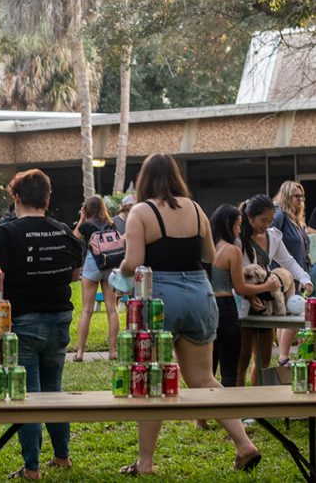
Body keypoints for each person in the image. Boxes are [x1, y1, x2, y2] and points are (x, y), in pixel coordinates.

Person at [119, 153, 261, 475]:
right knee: (203, 378)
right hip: (199, 291)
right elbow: (208, 256)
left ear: (144, 180)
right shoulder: (196, 210)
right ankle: (244, 444)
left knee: (152, 381)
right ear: (176, 177)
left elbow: (134, 261)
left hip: (159, 295)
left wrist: (120, 269)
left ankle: (146, 462)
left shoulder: (141, 212)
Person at [0, 169, 82, 480]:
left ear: (16, 198)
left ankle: (31, 468)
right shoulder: (64, 231)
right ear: (47, 199)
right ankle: (62, 456)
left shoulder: (5, 234)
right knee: (54, 390)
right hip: (61, 319)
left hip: (22, 323)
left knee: (29, 396)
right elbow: (75, 273)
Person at [236, 194, 313, 386]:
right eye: (263, 220)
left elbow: (288, 261)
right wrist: (250, 293)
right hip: (243, 302)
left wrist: (304, 278)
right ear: (250, 216)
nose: (267, 224)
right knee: (242, 359)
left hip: (265, 302)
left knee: (262, 360)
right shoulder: (238, 239)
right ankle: (238, 407)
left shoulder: (273, 236)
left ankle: (257, 406)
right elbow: (236, 274)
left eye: (270, 220)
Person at [209, 204, 279, 387]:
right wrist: (266, 286)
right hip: (225, 308)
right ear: (228, 224)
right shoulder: (232, 250)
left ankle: (201, 416)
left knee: (207, 370)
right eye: (238, 225)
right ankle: (230, 414)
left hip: (207, 306)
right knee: (229, 371)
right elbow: (240, 288)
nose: (240, 230)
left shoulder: (207, 247)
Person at [73, 196, 119, 362]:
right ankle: (113, 352)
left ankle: (79, 353)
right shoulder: (110, 224)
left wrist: (81, 219)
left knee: (87, 309)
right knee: (112, 309)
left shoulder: (86, 226)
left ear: (87, 209)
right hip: (109, 265)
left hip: (93, 265)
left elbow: (73, 238)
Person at [272, 181, 311, 366]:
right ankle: (283, 357)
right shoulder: (280, 215)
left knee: (289, 315)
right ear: (287, 196)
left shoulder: (297, 220)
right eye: (297, 196)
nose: (301, 200)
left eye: (302, 197)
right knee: (296, 315)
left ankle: (283, 356)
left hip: (299, 271)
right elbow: (270, 239)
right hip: (284, 275)